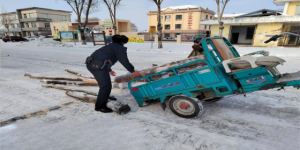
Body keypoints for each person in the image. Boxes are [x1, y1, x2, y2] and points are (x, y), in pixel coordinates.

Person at [86, 35, 141, 113]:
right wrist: (133, 71)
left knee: (105, 85)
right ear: (123, 42)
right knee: (105, 86)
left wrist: (109, 69)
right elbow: (124, 61)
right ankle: (100, 106)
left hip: (94, 65)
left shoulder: (110, 46)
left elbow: (106, 58)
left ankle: (105, 97)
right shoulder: (119, 48)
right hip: (97, 67)